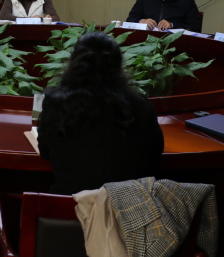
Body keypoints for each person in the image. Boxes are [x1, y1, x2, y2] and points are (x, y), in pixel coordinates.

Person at [37, 32, 164, 194]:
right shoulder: (140, 106)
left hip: (69, 205)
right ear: (118, 65)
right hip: (129, 206)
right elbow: (154, 153)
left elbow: (45, 152)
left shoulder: (55, 103)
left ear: (74, 63)